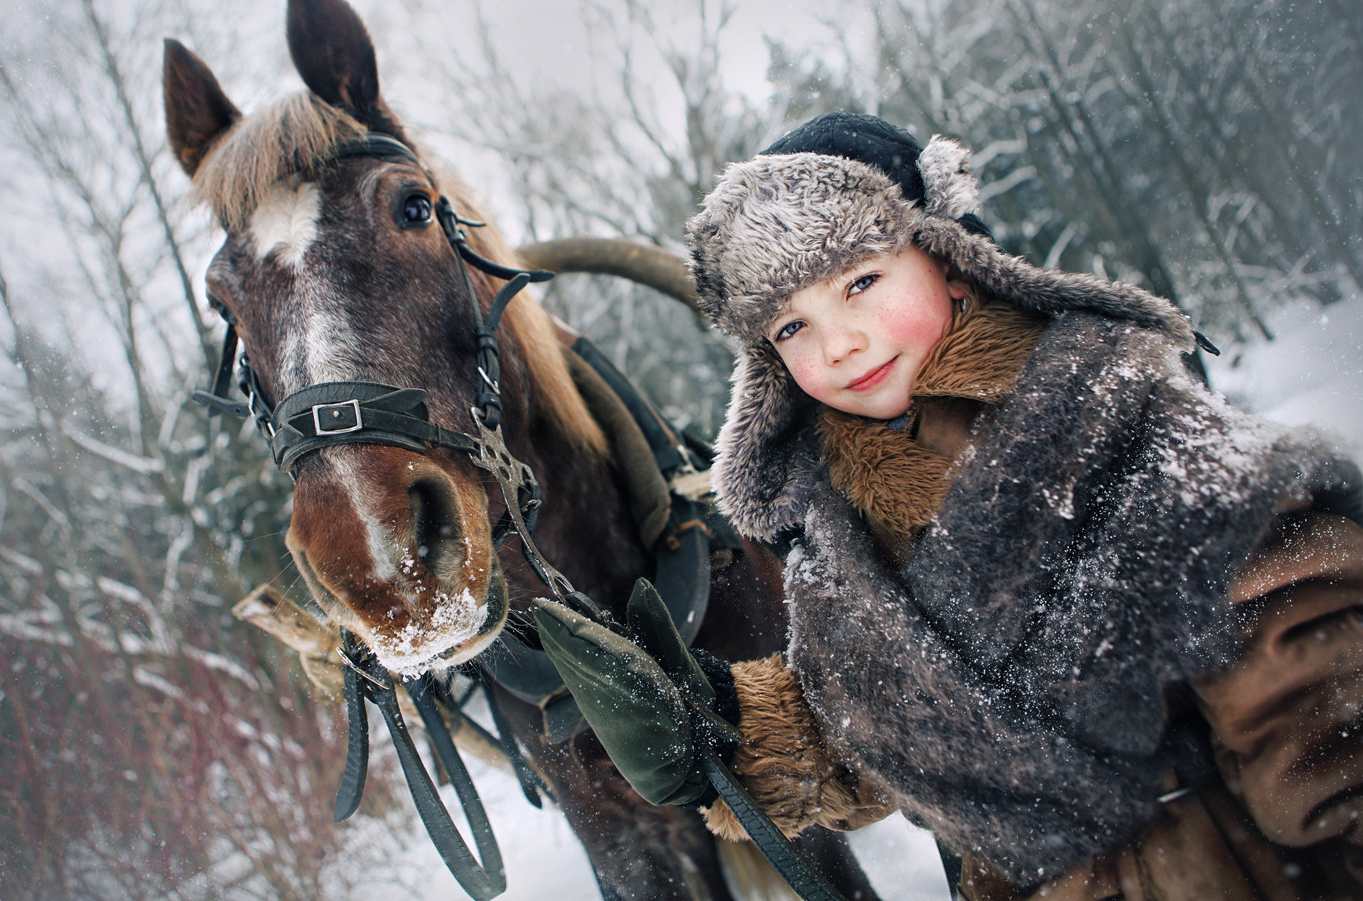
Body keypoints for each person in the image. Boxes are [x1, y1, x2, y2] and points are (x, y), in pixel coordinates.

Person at [535, 113, 1363, 900]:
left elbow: (1312, 683)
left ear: (953, 260)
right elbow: (900, 735)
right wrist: (729, 733)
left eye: (860, 281)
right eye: (790, 327)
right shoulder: (835, 539)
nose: (836, 343)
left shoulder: (1120, 422)